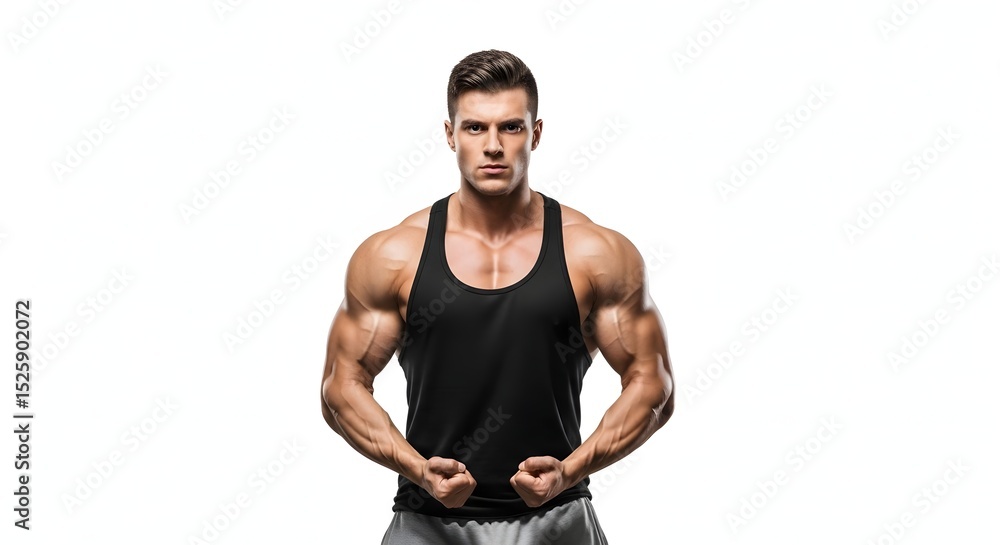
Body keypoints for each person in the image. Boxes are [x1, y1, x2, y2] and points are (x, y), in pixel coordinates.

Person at [320, 49, 674, 544]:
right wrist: (418, 470)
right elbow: (341, 388)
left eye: (510, 127)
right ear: (450, 135)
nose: (493, 146)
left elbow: (652, 386)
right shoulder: (393, 254)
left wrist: (569, 471)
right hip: (427, 524)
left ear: (536, 133)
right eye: (474, 128)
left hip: (557, 520)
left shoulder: (595, 252)